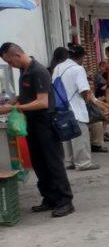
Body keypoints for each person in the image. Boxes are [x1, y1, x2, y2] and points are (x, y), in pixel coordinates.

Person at [0, 42, 74, 216]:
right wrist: (10, 102)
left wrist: (13, 108)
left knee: (53, 163)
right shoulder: (23, 71)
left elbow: (42, 102)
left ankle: (65, 201)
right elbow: (26, 95)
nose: (10, 65)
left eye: (10, 61)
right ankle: (49, 198)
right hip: (32, 123)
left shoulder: (38, 71)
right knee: (39, 163)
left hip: (45, 123)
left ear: (17, 55)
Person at [51, 46, 100, 171]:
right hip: (75, 108)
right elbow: (84, 90)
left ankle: (69, 162)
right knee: (79, 136)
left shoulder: (58, 67)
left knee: (67, 135)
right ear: (81, 57)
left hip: (61, 107)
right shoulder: (78, 69)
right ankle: (83, 163)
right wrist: (88, 99)